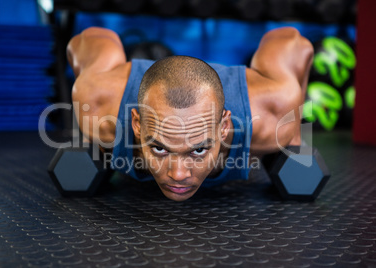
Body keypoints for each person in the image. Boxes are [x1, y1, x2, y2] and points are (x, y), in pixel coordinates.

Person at [66, 26, 314, 201]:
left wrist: (294, 138)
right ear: (137, 124)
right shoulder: (96, 103)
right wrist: (92, 141)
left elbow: (292, 40)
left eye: (198, 150)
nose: (178, 175)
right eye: (160, 149)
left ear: (224, 127)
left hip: (252, 92)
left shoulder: (272, 118)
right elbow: (88, 38)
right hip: (124, 85)